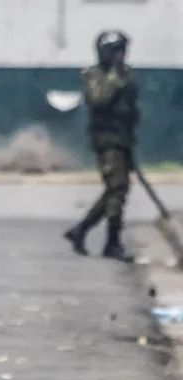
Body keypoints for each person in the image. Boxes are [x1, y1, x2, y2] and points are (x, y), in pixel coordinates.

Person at [64, 30, 139, 262]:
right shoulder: (94, 75)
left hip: (123, 139)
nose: (120, 56)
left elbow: (131, 108)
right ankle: (111, 241)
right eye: (115, 52)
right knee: (116, 189)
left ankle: (81, 230)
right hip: (106, 140)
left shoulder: (126, 74)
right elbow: (99, 99)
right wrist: (115, 76)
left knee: (117, 189)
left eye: (122, 51)